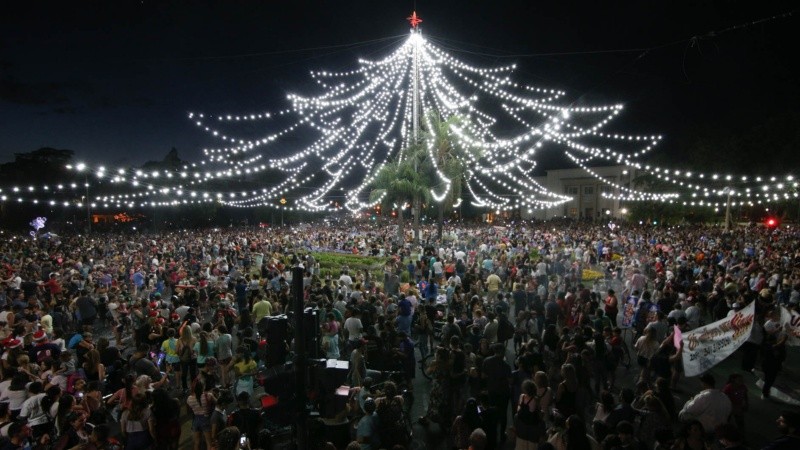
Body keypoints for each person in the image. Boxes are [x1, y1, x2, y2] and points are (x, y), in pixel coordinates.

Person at [481, 343, 512, 445]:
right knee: (503, 414)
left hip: (491, 391)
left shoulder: (486, 361)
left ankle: (491, 434)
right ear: (502, 352)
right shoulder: (506, 365)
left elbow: (483, 376)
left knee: (492, 412)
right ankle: (502, 435)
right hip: (503, 392)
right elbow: (510, 380)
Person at [514, 379, 545, 450]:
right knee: (532, 446)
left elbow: (518, 409)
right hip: (533, 425)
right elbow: (539, 411)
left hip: (522, 424)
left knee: (521, 444)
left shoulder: (522, 396)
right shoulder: (535, 399)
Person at [186, 378, 215, 450]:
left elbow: (189, 411)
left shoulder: (189, 398)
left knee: (197, 443)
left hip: (196, 420)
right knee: (209, 443)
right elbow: (216, 402)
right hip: (206, 419)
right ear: (203, 387)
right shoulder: (208, 395)